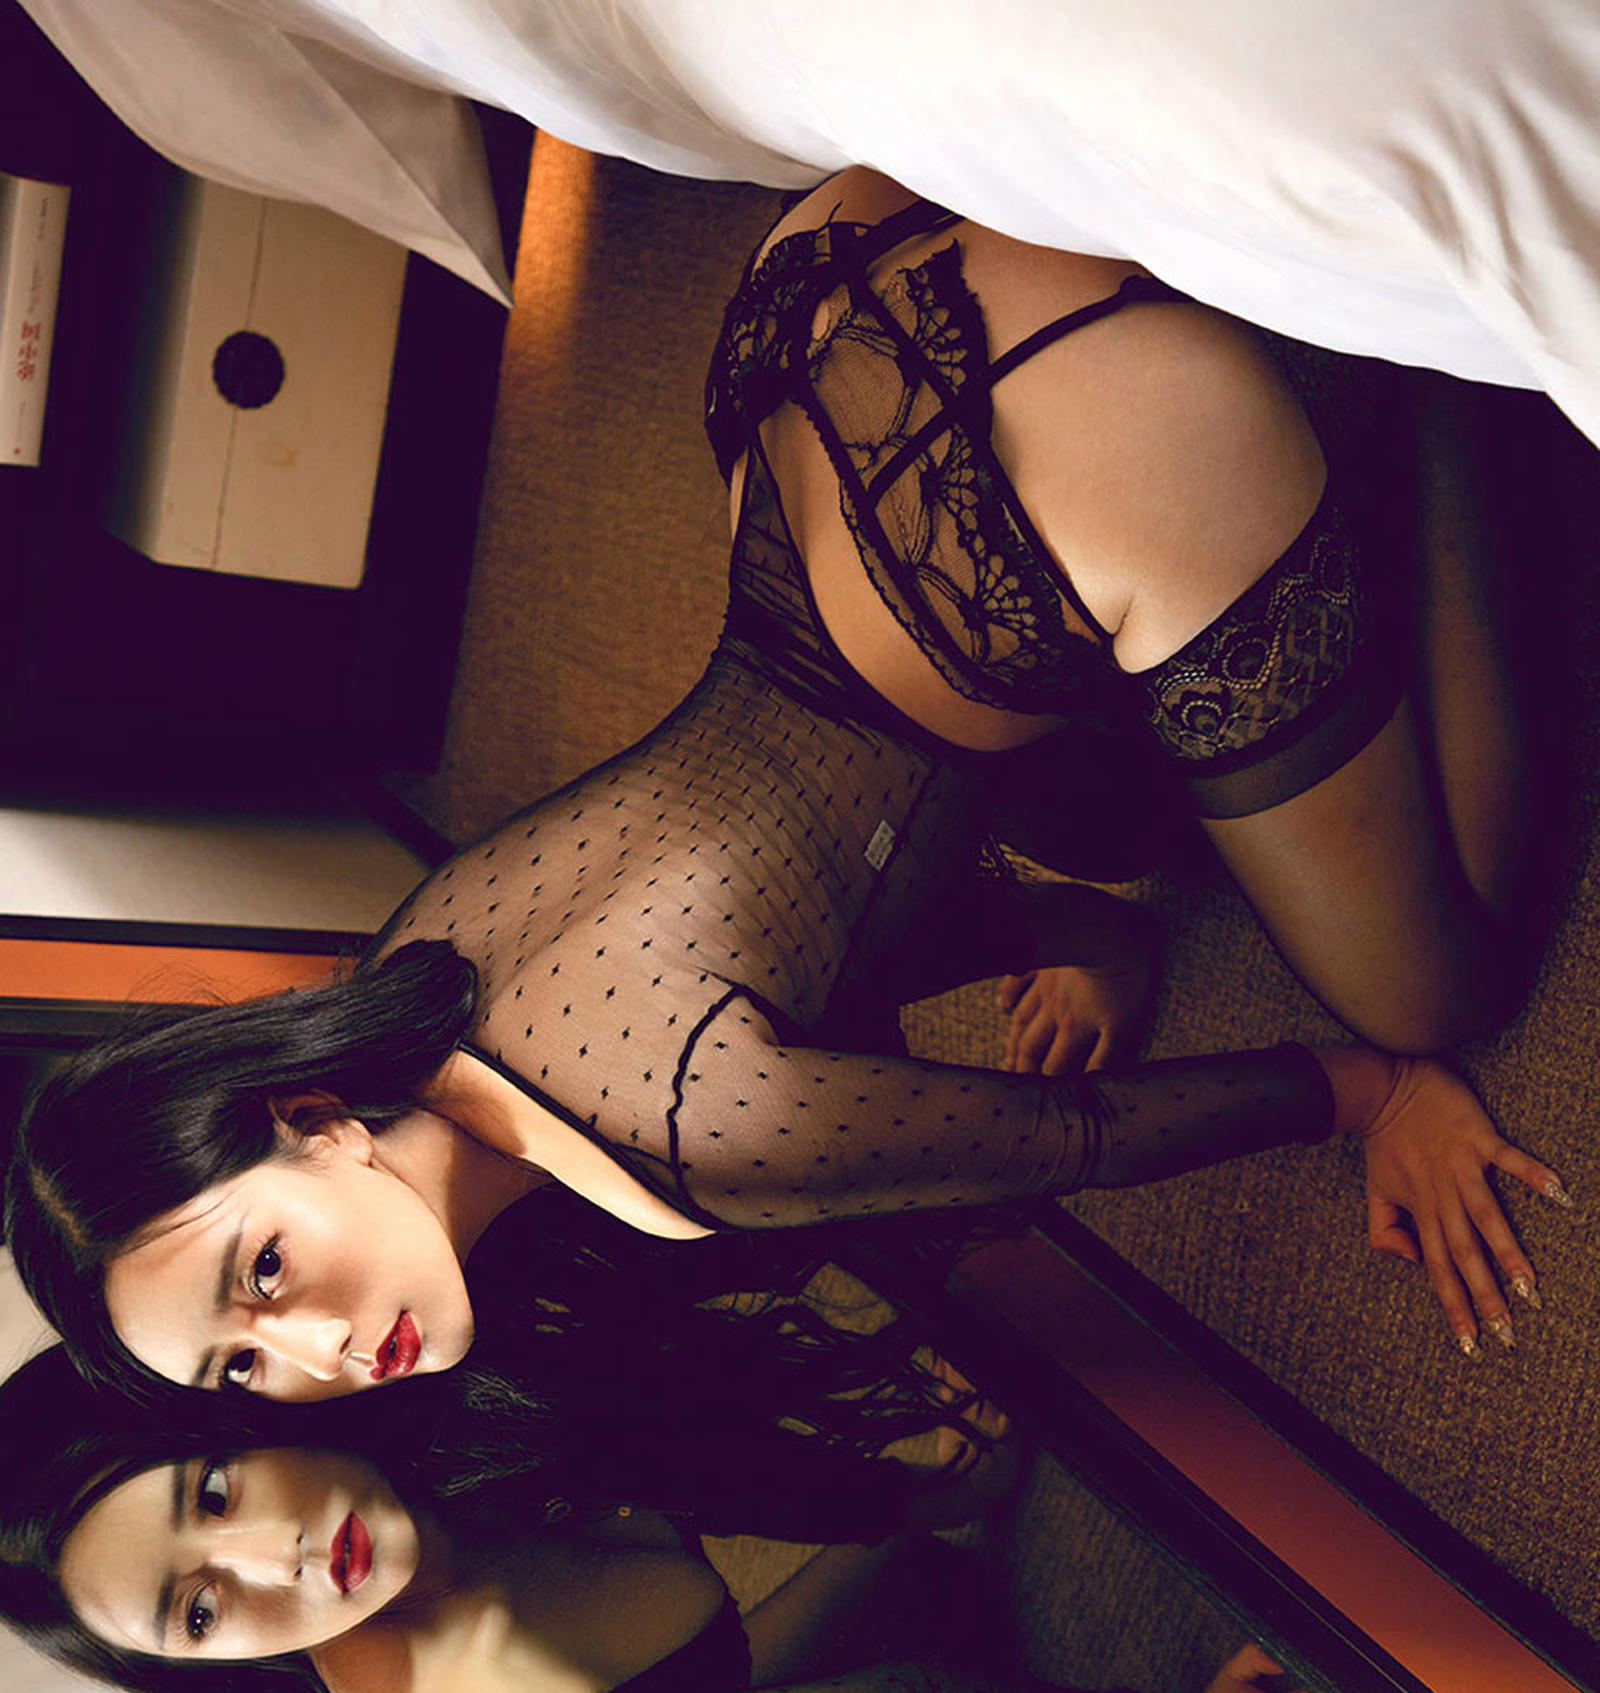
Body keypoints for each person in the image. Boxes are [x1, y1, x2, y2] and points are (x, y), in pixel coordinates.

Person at [6, 176, 1563, 1397]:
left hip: (1035, 469)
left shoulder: (689, 1145)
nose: (317, 1354)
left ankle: (1439, 360)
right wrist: (1082, 932)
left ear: (311, 1123)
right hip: (808, 318)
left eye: (264, 1275)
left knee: (1436, 987)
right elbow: (817, 918)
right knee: (1100, 829)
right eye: (240, 1371)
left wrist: (1371, 1094)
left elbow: (1076, 1135)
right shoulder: (416, 962)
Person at [0, 1346, 1382, 1693]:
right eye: (198, 1613)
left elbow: (688, 1444)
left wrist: (918, 1494)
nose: (280, 1564)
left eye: (215, 1493)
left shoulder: (427, 1415)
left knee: (939, 1560)